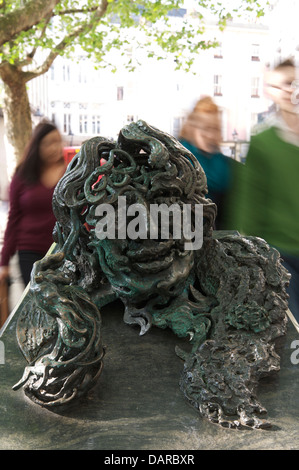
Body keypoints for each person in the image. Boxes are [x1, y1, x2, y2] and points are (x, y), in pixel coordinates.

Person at [234, 58, 299, 324]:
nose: (288, 90)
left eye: (292, 83)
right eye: (280, 85)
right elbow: (248, 202)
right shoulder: (263, 142)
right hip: (280, 253)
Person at [0, 121, 66, 288]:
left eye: (58, 141)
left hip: (62, 252)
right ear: (37, 147)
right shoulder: (22, 175)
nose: (55, 147)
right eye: (49, 143)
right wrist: (4, 262)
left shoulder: (69, 175)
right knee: (35, 306)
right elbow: (13, 218)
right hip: (30, 253)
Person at [179, 96, 232, 229]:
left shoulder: (226, 165)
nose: (210, 135)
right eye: (205, 128)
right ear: (191, 128)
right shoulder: (178, 160)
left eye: (215, 129)